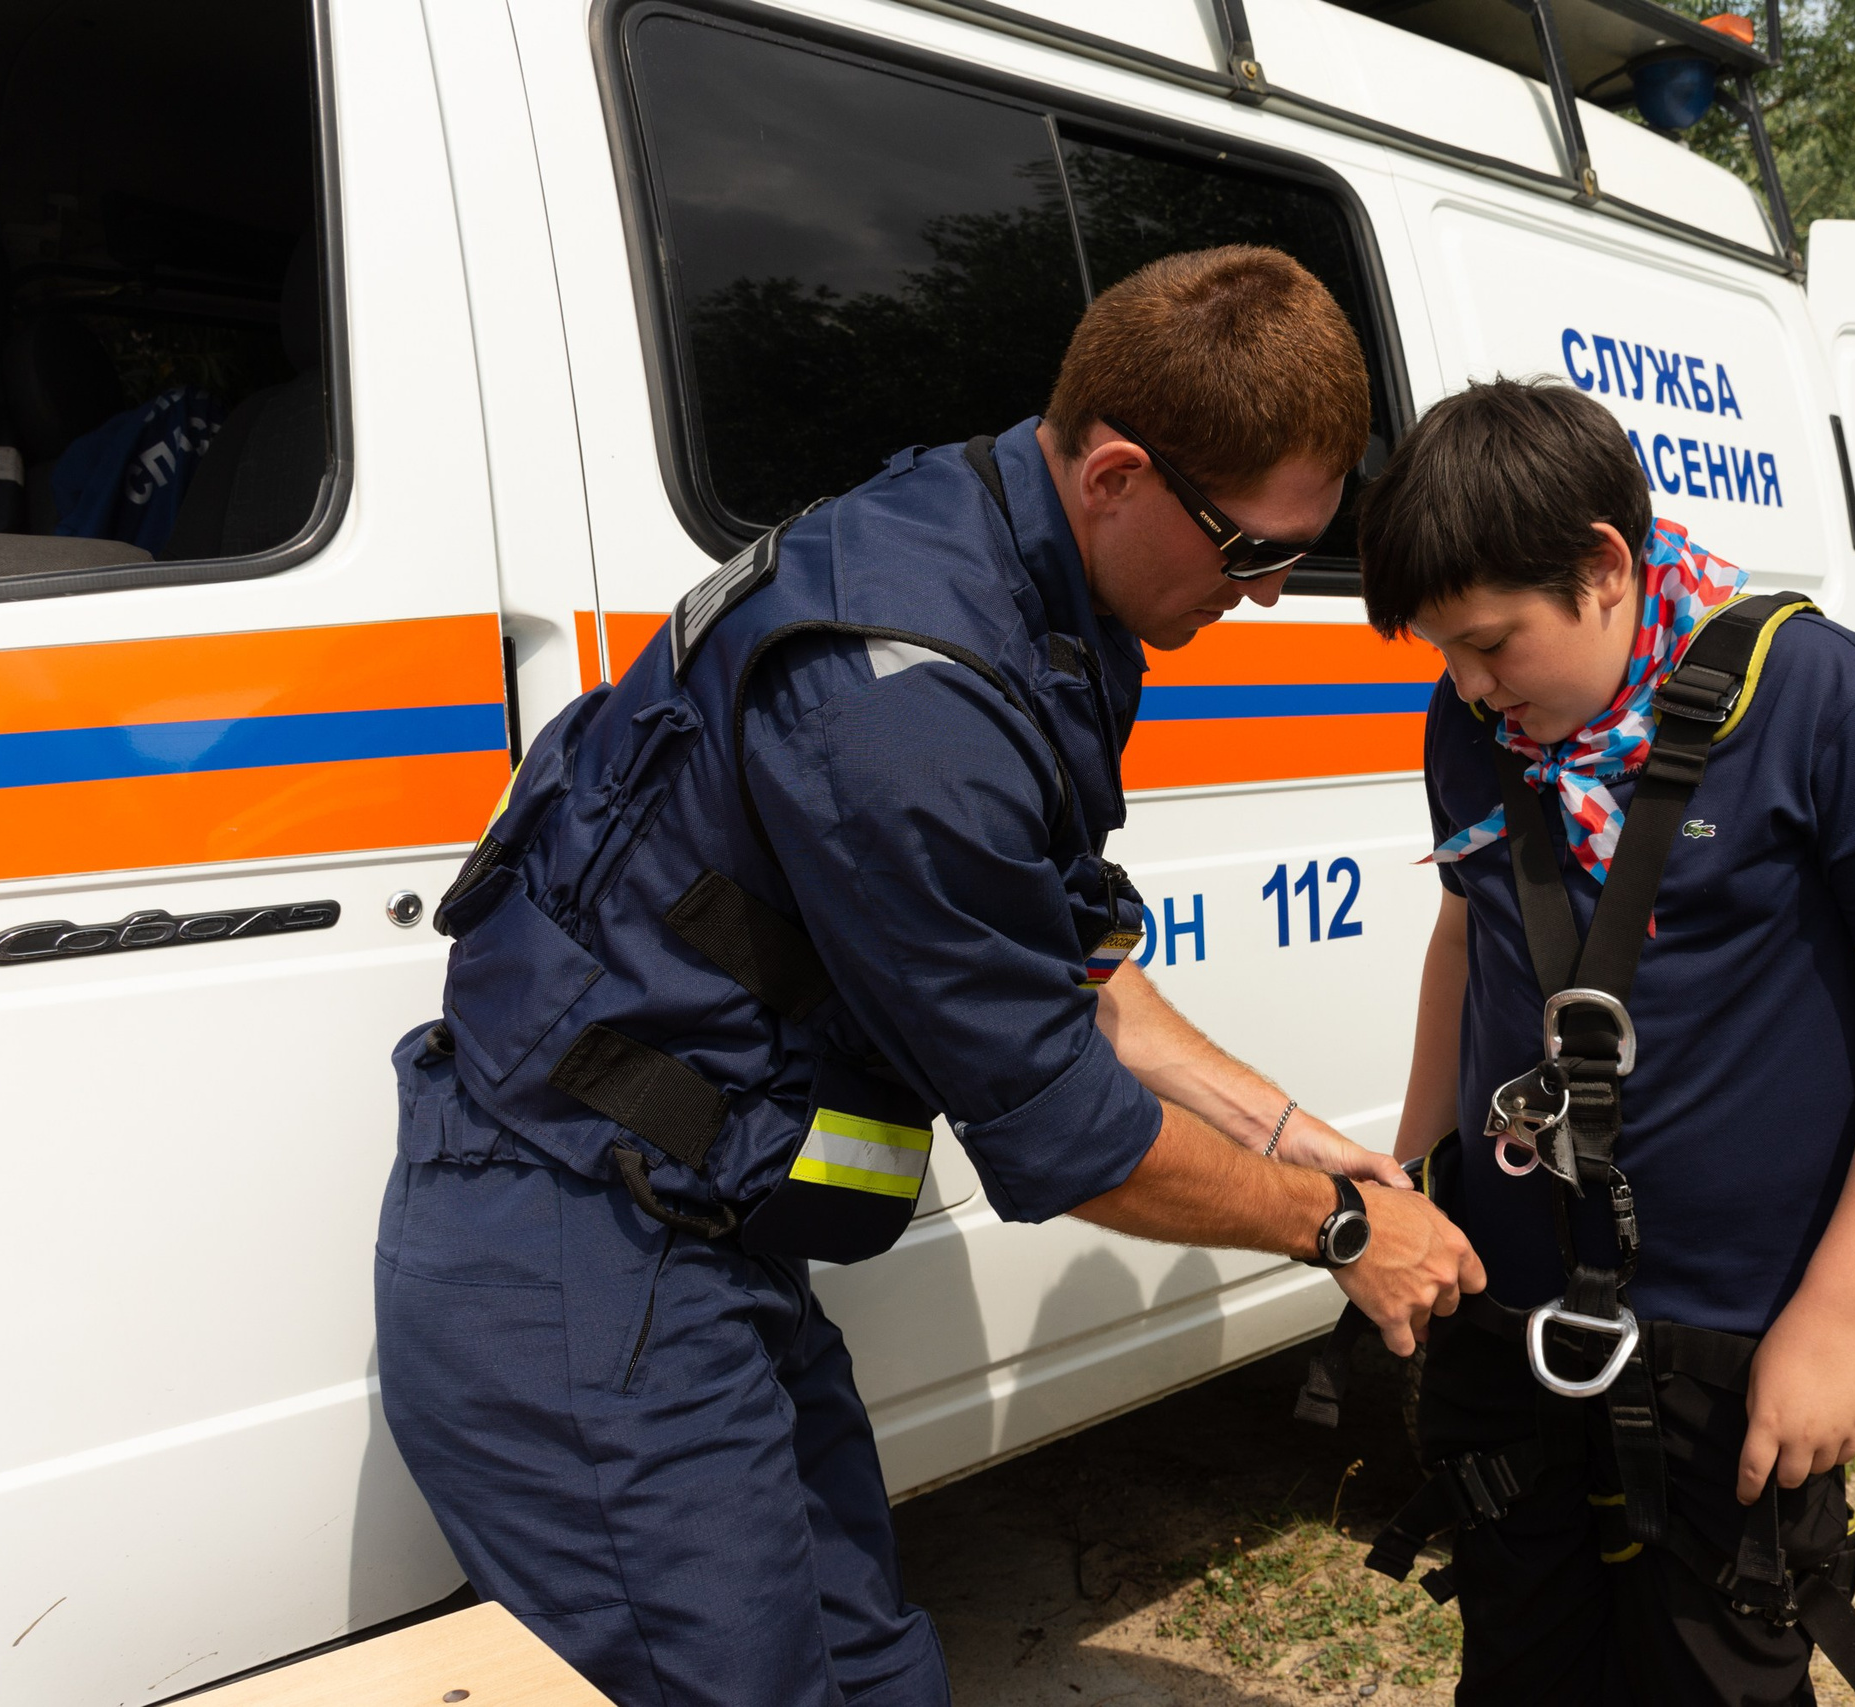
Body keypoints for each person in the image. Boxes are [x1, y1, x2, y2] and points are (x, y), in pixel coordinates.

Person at [374, 246, 1484, 1707]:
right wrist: (1340, 1231)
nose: (1272, 594)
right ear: (1118, 475)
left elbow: (1064, 961)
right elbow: (1067, 1133)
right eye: (1251, 551)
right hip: (576, 1245)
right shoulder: (902, 706)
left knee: (873, 1664)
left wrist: (1285, 1132)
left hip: (700, 1236)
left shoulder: (1020, 573)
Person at [1351, 379, 1855, 1706]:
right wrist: (1412, 1175)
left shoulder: (1829, 706)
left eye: (1490, 643)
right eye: (1445, 654)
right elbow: (1467, 937)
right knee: (1521, 1671)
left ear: (1605, 566)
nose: (1469, 685)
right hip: (1513, 1312)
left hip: (1740, 1337)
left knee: (1715, 1676)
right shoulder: (1474, 724)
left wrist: (1839, 1319)